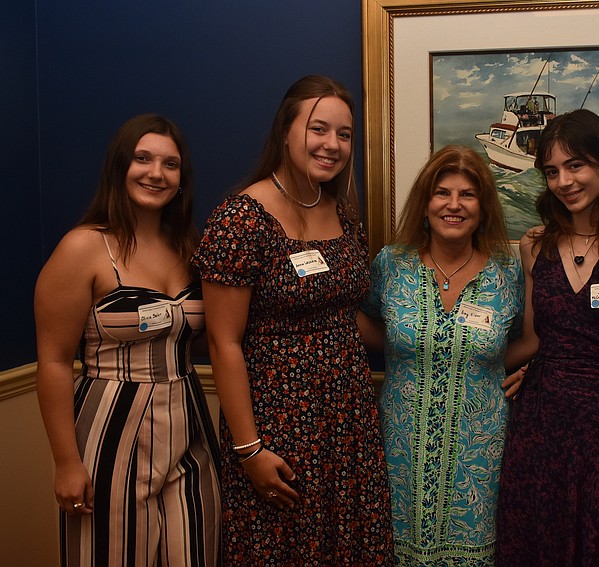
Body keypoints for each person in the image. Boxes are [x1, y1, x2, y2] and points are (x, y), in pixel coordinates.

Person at [192, 75, 393, 565]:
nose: (332, 145)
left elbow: (346, 316)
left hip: (348, 423)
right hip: (277, 424)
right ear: (286, 130)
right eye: (318, 129)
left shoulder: (345, 216)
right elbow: (223, 343)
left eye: (344, 134)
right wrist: (248, 450)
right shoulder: (241, 219)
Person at [34, 114, 221, 566]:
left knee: (199, 550)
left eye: (170, 164)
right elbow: (55, 361)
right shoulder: (83, 248)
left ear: (181, 180)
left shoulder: (190, 247)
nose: (156, 173)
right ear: (120, 167)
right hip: (109, 432)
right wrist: (66, 462)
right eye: (143, 159)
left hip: (190, 427)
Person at [495, 109, 599, 566]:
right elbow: (533, 337)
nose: (564, 181)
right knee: (539, 537)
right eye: (551, 171)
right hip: (542, 421)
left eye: (576, 165)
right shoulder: (534, 245)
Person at [358, 145, 525, 565]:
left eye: (467, 194)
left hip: (481, 448)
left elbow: (544, 334)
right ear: (425, 203)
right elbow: (363, 323)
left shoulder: (509, 272)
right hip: (400, 445)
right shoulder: (391, 264)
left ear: (483, 207)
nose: (454, 205)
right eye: (442, 193)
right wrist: (409, 349)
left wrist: (534, 369)